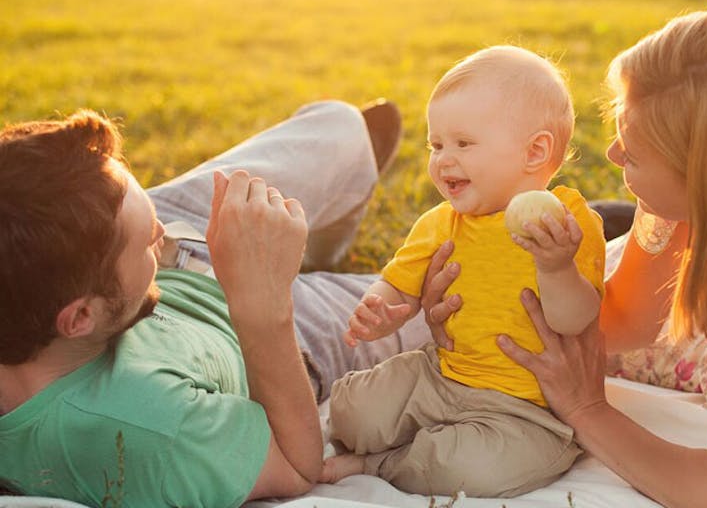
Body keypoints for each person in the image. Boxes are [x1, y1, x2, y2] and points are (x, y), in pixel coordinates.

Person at [0, 100, 433, 507]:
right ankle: (295, 246)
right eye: (148, 239)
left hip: (137, 255)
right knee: (450, 293)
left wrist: (137, 234)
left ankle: (309, 239)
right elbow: (299, 465)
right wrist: (266, 308)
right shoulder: (148, 431)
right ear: (79, 318)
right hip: (266, 331)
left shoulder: (51, 285)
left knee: (341, 126)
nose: (160, 231)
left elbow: (133, 239)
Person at [422, 3, 707, 507]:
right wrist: (479, 302)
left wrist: (586, 409)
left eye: (635, 151)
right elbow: (617, 322)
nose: (611, 153)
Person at [322, 46, 606, 497]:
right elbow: (399, 283)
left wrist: (555, 267)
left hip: (524, 409)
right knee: (352, 413)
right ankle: (399, 440)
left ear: (534, 152)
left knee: (474, 471)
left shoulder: (566, 223)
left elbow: (575, 320)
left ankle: (380, 464)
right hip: (441, 375)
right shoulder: (442, 222)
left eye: (463, 144)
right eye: (436, 145)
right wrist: (383, 308)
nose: (442, 159)